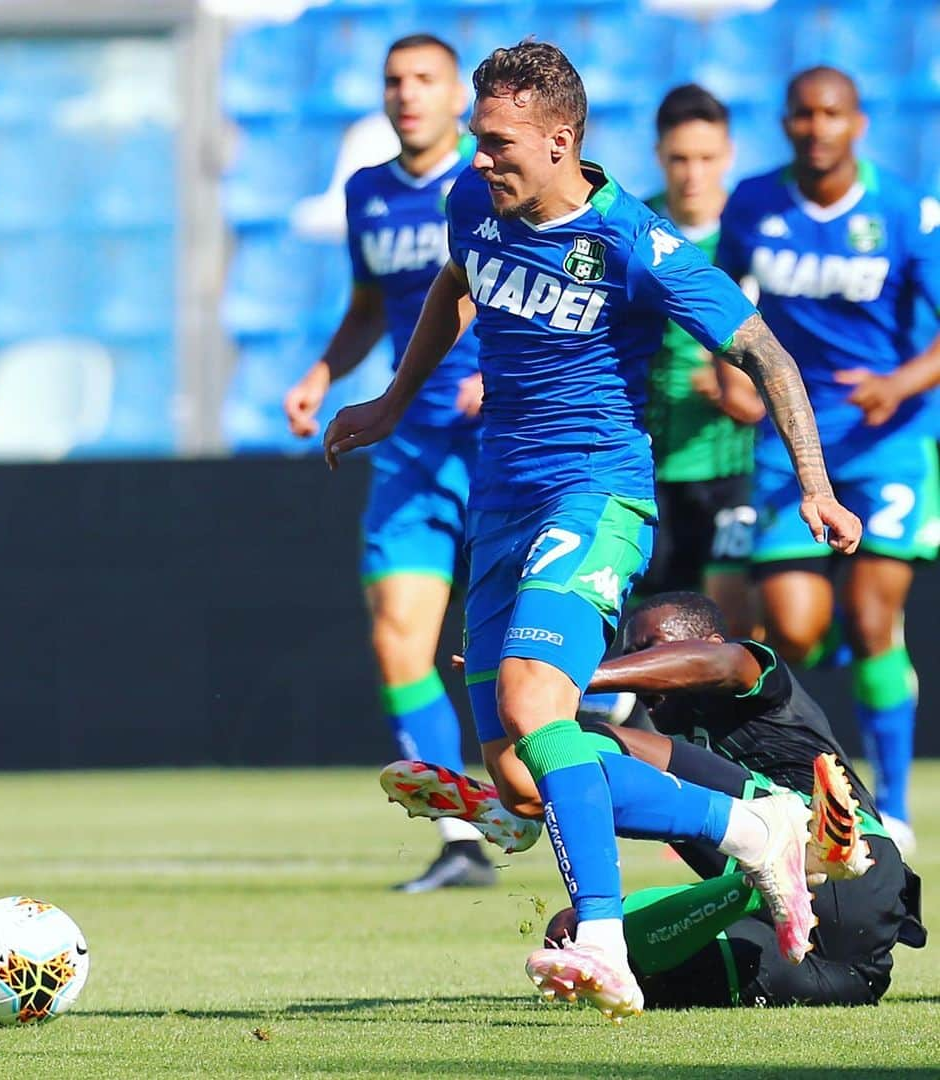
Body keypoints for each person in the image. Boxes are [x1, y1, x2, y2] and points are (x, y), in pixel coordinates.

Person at [324, 40, 861, 1020]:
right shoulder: (471, 206)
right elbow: (454, 288)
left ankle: (605, 942)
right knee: (524, 778)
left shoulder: (634, 245)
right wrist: (394, 403)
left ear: (559, 139)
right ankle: (757, 829)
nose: (476, 159)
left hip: (595, 495)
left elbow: (768, 355)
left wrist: (816, 488)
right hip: (500, 502)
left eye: (495, 142)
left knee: (538, 702)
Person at [384, 591, 925, 1008]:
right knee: (571, 942)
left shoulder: (755, 676)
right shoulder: (671, 733)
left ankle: (520, 805)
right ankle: (525, 805)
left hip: (855, 870)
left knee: (584, 742)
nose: (639, 669)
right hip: (831, 965)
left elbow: (713, 664)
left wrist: (569, 680)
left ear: (706, 642)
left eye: (649, 650)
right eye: (630, 653)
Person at [283, 34, 495, 892]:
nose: (406, 95)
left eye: (424, 80)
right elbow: (373, 304)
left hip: (499, 435)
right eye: (394, 81)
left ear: (458, 100)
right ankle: (460, 836)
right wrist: (324, 370)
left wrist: (498, 368)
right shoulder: (368, 192)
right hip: (407, 440)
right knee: (398, 638)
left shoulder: (492, 180)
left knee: (515, 648)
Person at [717, 66, 940, 856]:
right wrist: (728, 381)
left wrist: (899, 382)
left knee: (877, 617)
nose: (817, 127)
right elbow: (725, 309)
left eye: (832, 113)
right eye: (803, 114)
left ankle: (896, 805)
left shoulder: (907, 209)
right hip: (793, 447)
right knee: (795, 628)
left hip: (889, 444)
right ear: (785, 123)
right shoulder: (751, 203)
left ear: (858, 122)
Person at [642, 85, 764, 635]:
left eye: (706, 158)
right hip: (644, 466)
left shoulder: (754, 234)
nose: (693, 174)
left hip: (732, 468)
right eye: (679, 159)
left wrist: (744, 390)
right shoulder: (630, 230)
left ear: (729, 155)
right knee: (653, 632)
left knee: (727, 627)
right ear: (658, 155)